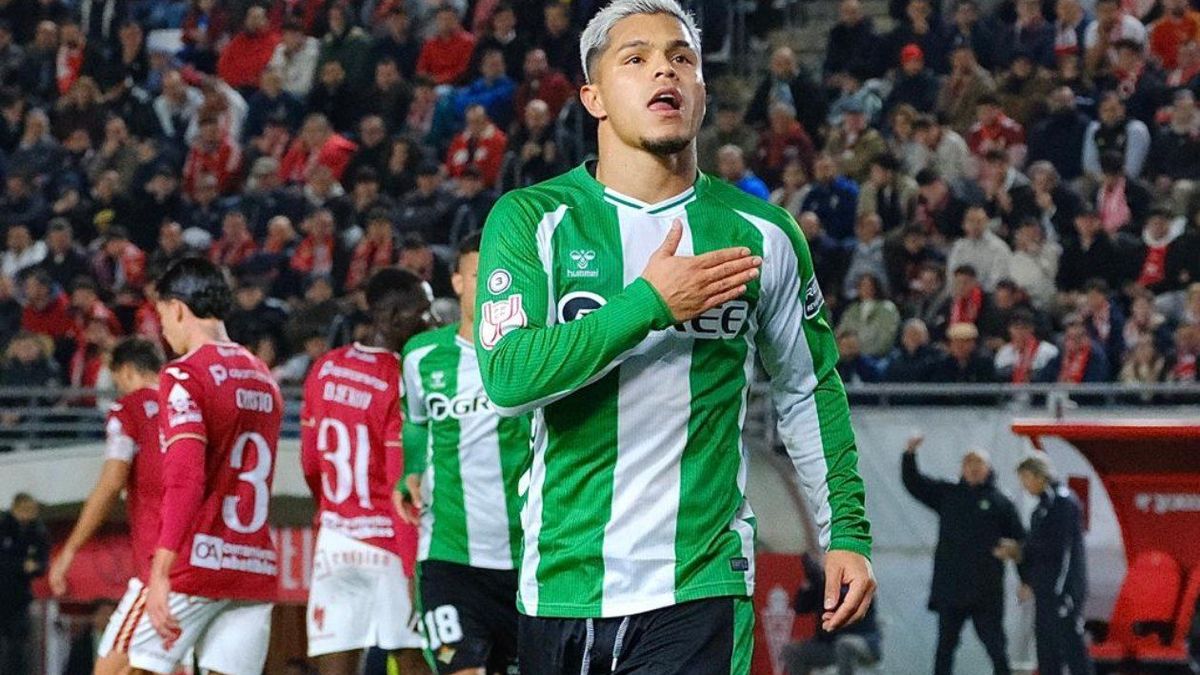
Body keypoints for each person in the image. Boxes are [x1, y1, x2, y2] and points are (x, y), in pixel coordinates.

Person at [475, 2, 876, 670]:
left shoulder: (763, 234)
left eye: (681, 57)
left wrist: (847, 533)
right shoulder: (533, 219)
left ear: (700, 89)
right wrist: (650, 303)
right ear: (593, 96)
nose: (665, 67)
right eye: (635, 57)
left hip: (701, 580)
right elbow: (508, 378)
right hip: (562, 581)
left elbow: (809, 388)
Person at [114, 257, 284, 674]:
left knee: (133, 669)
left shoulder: (185, 376)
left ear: (176, 308)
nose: (163, 330)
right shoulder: (264, 376)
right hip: (252, 567)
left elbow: (186, 479)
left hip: (197, 563)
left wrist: (161, 570)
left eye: (161, 316)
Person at [399, 234, 530, 675]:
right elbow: (416, 422)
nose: (491, 285)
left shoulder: (533, 354)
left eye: (500, 274)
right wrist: (410, 473)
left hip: (529, 559)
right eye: (478, 275)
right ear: (457, 281)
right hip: (450, 556)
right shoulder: (422, 357)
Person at [299, 267, 431, 675]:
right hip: (387, 545)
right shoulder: (400, 380)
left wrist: (333, 511)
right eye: (422, 313)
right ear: (392, 317)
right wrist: (412, 570)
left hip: (334, 544)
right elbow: (401, 484)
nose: (431, 322)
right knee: (412, 661)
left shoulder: (324, 368)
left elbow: (310, 462)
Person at [47, 338, 163, 675]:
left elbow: (112, 483)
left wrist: (70, 550)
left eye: (116, 382)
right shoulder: (191, 407)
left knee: (108, 669)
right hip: (209, 554)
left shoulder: (128, 411)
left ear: (125, 372)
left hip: (161, 563)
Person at [902, 435, 1025, 675]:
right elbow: (914, 483)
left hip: (986, 591)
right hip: (951, 589)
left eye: (978, 464)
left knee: (996, 649)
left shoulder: (1000, 502)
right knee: (945, 649)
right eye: (968, 463)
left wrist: (1025, 578)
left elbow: (1020, 542)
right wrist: (909, 455)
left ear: (988, 469)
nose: (973, 468)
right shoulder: (948, 494)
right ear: (961, 468)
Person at [1016, 454, 1095, 675]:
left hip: (1061, 592)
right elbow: (1040, 549)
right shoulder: (1042, 507)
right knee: (1047, 651)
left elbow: (1063, 552)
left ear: (1038, 475)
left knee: (1071, 648)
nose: (1024, 485)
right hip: (1046, 591)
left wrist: (1061, 592)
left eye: (1025, 478)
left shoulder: (1061, 502)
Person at [781, 552, 882, 675]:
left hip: (862, 641)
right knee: (792, 651)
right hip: (828, 645)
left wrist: (823, 581)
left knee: (844, 644)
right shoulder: (822, 584)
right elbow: (800, 608)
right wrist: (810, 583)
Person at [0, 492, 48, 675]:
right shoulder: (3, 528)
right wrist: (21, 565)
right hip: (2, 593)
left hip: (20, 599)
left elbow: (42, 563)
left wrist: (34, 567)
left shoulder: (37, 531)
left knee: (18, 647)